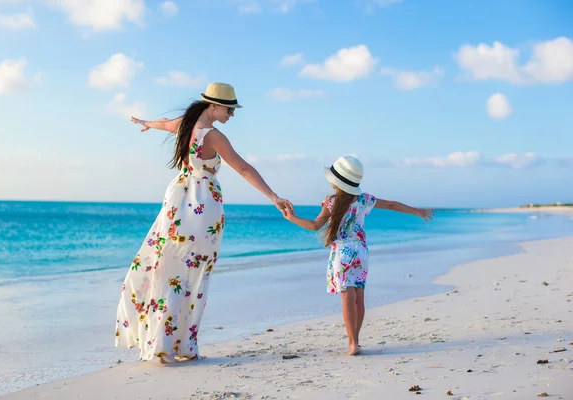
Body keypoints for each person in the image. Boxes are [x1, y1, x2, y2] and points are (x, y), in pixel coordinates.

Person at [115, 82, 293, 363]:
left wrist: (147, 123)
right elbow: (244, 168)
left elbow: (163, 123)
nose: (231, 115)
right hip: (201, 205)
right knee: (193, 273)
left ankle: (162, 343)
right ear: (213, 105)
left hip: (176, 200)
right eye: (229, 109)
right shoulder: (213, 136)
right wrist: (274, 196)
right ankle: (182, 345)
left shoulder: (184, 124)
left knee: (167, 266)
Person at [281, 156, 434, 356]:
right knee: (359, 297)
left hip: (342, 253)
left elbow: (314, 226)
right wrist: (417, 211)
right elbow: (391, 205)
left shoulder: (332, 203)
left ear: (337, 181)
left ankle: (352, 342)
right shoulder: (365, 199)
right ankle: (356, 341)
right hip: (361, 252)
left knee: (347, 297)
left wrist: (291, 217)